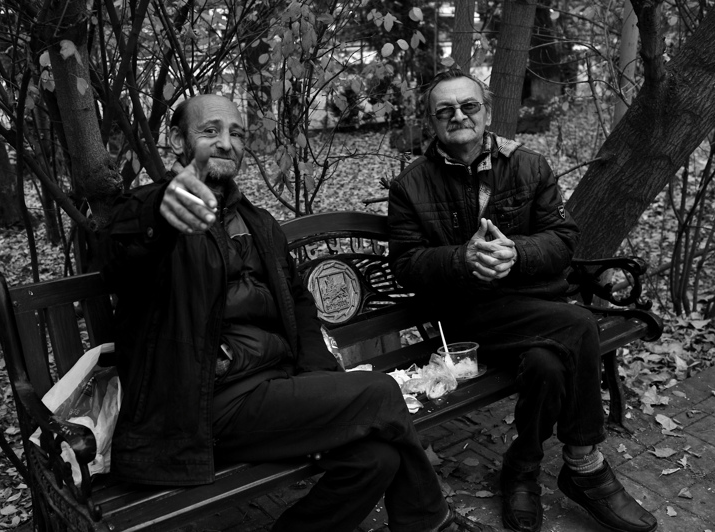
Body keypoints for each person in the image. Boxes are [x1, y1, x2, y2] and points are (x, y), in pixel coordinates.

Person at [101, 93, 496, 532]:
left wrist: (321, 383)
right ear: (178, 141)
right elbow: (123, 242)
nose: (226, 142)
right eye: (209, 131)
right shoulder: (163, 220)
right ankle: (433, 524)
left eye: (236, 133)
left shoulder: (259, 224)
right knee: (380, 394)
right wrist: (162, 207)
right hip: (204, 410)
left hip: (274, 390)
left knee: (376, 459)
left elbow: (300, 306)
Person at [387, 69, 658, 532]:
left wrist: (517, 253)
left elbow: (563, 239)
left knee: (547, 366)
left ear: (485, 110)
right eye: (445, 110)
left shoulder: (529, 165)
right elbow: (405, 266)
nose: (459, 116)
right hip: (468, 321)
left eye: (468, 106)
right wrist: (462, 259)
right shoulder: (411, 185)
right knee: (577, 327)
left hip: (535, 309)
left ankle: (522, 468)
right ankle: (585, 465)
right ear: (431, 122)